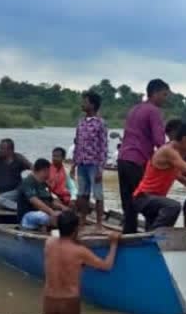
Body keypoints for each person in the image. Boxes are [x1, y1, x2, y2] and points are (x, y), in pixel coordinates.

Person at [41, 210, 120, 314]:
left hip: (49, 301)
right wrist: (114, 243)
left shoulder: (49, 243)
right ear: (75, 230)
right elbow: (107, 265)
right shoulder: (80, 251)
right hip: (68, 302)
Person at [117, 79, 170, 233]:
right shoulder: (154, 111)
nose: (165, 99)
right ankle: (149, 236)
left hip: (122, 159)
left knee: (129, 204)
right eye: (164, 95)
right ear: (155, 93)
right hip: (137, 161)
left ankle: (128, 235)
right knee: (148, 203)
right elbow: (160, 141)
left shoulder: (134, 109)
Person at [70, 91, 108, 229]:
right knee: (82, 194)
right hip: (81, 163)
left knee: (98, 195)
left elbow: (103, 147)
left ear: (92, 105)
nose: (82, 104)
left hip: (94, 164)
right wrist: (73, 165)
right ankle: (82, 220)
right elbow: (77, 144)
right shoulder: (80, 123)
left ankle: (99, 223)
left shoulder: (100, 123)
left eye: (85, 102)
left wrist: (100, 169)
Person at [17, 158, 67, 231]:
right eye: (49, 171)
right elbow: (34, 201)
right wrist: (51, 212)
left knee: (65, 215)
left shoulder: (44, 184)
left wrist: (63, 207)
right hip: (27, 216)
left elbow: (51, 201)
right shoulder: (28, 182)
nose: (50, 173)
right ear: (44, 170)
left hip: (44, 212)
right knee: (44, 217)